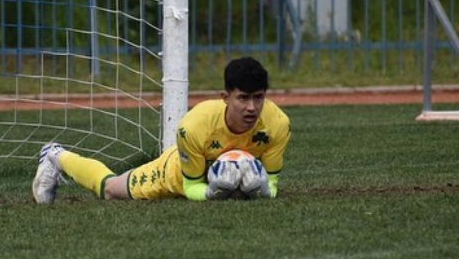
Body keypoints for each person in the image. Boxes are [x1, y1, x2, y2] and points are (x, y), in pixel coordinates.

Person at [32, 56, 291, 203]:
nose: (252, 107)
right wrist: (213, 193)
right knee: (110, 190)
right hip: (175, 173)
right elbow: (191, 189)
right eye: (243, 98)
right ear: (225, 97)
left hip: (218, 181)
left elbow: (273, 184)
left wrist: (263, 189)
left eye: (258, 98)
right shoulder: (193, 128)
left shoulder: (278, 124)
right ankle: (56, 156)